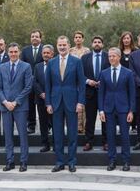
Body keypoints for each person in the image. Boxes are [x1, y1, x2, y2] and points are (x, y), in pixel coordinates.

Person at [45, 35, 86, 173]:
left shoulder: (76, 62)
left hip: (72, 102)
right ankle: (59, 161)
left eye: (64, 45)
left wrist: (80, 102)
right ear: (57, 46)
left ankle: (72, 162)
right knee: (57, 134)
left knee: (72, 133)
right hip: (56, 102)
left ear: (69, 46)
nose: (62, 47)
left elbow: (81, 83)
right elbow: (48, 85)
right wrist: (48, 103)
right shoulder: (51, 63)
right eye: (60, 45)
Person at [0, 43, 32, 172]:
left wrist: (16, 102)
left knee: (23, 135)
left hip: (20, 107)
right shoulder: (2, 67)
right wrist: (5, 102)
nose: (13, 54)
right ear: (8, 52)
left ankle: (23, 162)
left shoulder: (26, 67)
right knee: (8, 136)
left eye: (15, 52)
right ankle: (9, 161)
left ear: (19, 52)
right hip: (5, 106)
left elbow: (28, 87)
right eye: (11, 52)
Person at [98, 47, 136, 172]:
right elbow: (101, 93)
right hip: (108, 109)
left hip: (124, 109)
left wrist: (131, 110)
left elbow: (132, 93)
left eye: (113, 56)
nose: (111, 58)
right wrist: (101, 110)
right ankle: (112, 160)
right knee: (110, 136)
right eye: (109, 56)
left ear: (119, 57)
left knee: (125, 136)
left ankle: (126, 161)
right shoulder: (103, 73)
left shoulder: (128, 73)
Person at [81, 36, 110, 152]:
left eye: (99, 42)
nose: (97, 44)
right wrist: (88, 81)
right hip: (90, 93)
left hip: (105, 93)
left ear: (102, 45)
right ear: (92, 44)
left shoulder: (108, 56)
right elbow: (80, 74)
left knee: (105, 118)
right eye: (95, 42)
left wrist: (104, 81)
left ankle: (106, 142)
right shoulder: (84, 58)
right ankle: (89, 141)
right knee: (90, 119)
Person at [20, 29, 44, 134]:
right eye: (32, 36)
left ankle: (46, 126)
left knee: (42, 105)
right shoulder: (25, 50)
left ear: (40, 38)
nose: (34, 38)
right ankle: (31, 126)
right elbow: (22, 66)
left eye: (36, 36)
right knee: (30, 105)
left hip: (41, 83)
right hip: (28, 82)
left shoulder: (45, 49)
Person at [34, 44, 55, 152]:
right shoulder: (37, 66)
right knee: (43, 123)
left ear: (52, 54)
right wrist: (41, 93)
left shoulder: (56, 65)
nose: (46, 55)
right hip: (41, 99)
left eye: (48, 53)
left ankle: (56, 144)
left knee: (55, 122)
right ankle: (45, 144)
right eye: (44, 53)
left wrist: (50, 94)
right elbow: (35, 82)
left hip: (54, 99)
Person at [70, 31, 91, 134]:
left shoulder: (87, 51)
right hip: (73, 79)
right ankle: (78, 127)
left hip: (84, 78)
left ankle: (85, 127)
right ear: (73, 39)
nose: (78, 39)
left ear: (83, 39)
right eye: (76, 37)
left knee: (83, 104)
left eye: (79, 37)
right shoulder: (70, 51)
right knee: (75, 104)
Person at [118, 31, 138, 132]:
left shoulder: (136, 51)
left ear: (131, 39)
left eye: (128, 38)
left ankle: (134, 125)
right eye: (124, 38)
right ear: (122, 40)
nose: (126, 40)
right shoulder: (119, 52)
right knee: (122, 103)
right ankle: (122, 125)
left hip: (133, 81)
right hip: (121, 82)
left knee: (132, 102)